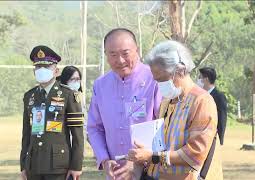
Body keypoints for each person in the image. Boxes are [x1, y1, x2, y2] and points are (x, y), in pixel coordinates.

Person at [127, 40, 217, 179]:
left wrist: (153, 156)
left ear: (180, 70)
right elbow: (161, 142)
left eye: (163, 79)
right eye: (156, 80)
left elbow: (195, 154)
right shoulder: (167, 101)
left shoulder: (201, 101)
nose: (160, 84)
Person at [86, 28, 162, 180]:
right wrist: (105, 159)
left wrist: (139, 161)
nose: (120, 60)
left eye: (125, 53)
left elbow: (166, 125)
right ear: (106, 55)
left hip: (151, 171)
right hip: (115, 174)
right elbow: (94, 128)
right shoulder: (100, 85)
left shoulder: (155, 79)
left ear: (137, 50)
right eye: (113, 54)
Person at [20, 45, 84, 180]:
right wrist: (23, 165)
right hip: (33, 165)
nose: (41, 70)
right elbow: (26, 133)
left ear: (56, 71)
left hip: (58, 166)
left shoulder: (68, 95)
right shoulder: (29, 96)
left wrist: (76, 166)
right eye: (38, 67)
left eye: (47, 67)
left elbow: (77, 136)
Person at [197, 67, 227, 179]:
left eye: (199, 77)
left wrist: (220, 138)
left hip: (213, 137)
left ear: (206, 79)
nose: (198, 80)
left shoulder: (219, 96)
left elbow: (223, 118)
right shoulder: (200, 96)